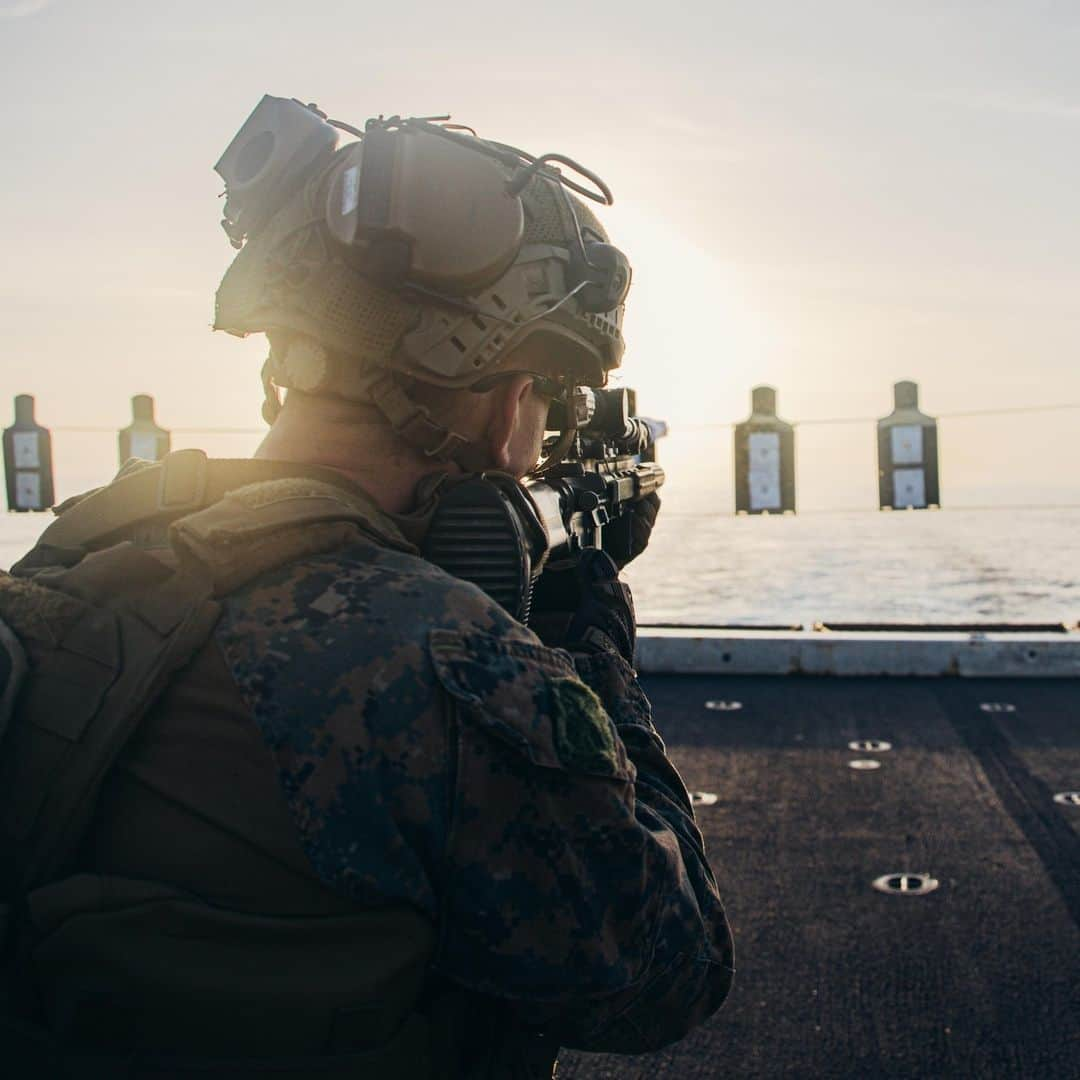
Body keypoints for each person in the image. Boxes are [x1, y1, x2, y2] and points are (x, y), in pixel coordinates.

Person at [0, 102, 733, 1078]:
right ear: (512, 398)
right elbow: (664, 972)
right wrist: (591, 652)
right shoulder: (446, 667)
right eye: (547, 402)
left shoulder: (91, 548)